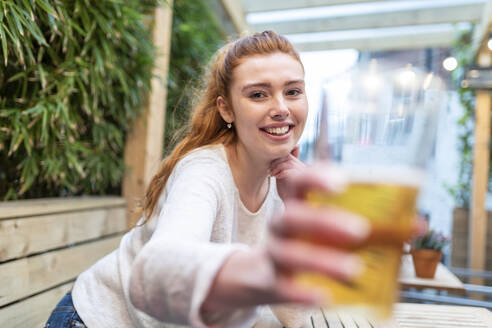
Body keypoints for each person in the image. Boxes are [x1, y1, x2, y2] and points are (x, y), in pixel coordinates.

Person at [44, 31, 369, 328]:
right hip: (90, 320)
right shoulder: (204, 170)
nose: (281, 108)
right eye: (259, 95)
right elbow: (158, 266)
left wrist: (299, 210)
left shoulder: (282, 180)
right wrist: (261, 270)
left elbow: (293, 316)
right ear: (226, 110)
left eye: (293, 91)